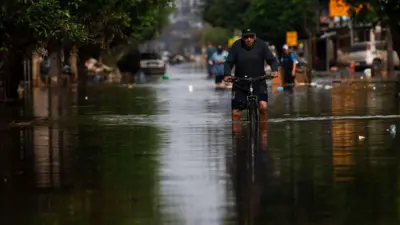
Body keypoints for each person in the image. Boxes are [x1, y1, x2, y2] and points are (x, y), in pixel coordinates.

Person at [224, 28, 279, 133]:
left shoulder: (262, 45)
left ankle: (264, 133)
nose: (249, 39)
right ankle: (237, 138)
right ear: (242, 38)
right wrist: (227, 74)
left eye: (251, 37)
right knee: (235, 113)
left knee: (263, 106)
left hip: (259, 81)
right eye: (246, 37)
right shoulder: (236, 46)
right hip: (240, 83)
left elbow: (272, 60)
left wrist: (274, 70)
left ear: (255, 37)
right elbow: (228, 63)